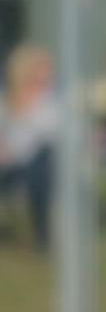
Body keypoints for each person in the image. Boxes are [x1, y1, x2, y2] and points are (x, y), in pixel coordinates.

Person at [0, 44, 59, 251]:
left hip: (34, 165)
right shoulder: (7, 100)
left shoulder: (50, 102)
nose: (49, 73)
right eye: (43, 68)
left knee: (41, 161)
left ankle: (42, 240)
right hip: (9, 165)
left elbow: (52, 133)